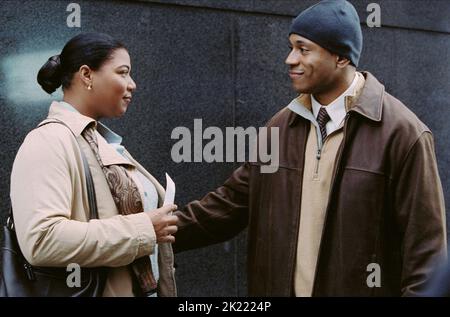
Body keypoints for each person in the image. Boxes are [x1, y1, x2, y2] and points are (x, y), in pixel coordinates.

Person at [173, 0, 447, 296]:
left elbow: (427, 256)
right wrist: (151, 234)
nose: (290, 59)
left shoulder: (403, 134)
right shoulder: (280, 128)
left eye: (303, 49)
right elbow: (228, 206)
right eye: (291, 47)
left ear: (341, 57)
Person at [10, 32, 178, 297]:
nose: (132, 84)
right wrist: (143, 229)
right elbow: (41, 240)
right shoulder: (48, 141)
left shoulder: (101, 142)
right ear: (87, 75)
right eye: (122, 72)